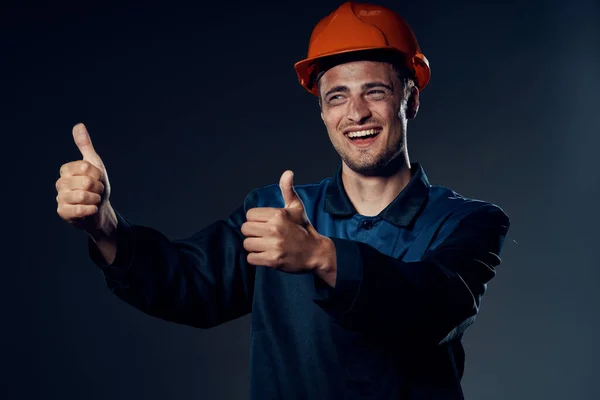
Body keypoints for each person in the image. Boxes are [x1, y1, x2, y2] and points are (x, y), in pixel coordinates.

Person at [55, 2, 510, 399]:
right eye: (337, 97)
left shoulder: (469, 222)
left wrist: (322, 257)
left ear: (410, 100)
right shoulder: (273, 210)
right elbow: (186, 285)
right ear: (322, 112)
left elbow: (436, 306)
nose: (356, 113)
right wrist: (106, 227)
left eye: (376, 91)